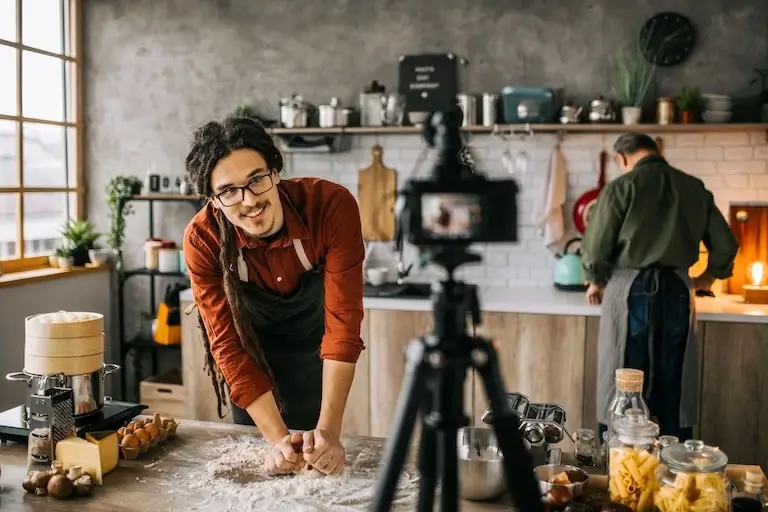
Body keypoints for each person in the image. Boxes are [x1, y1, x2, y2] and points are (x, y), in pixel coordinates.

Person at [182, 115, 365, 477]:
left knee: (321, 472)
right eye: (229, 191)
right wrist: (276, 439)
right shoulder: (203, 241)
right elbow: (227, 345)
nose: (249, 201)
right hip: (251, 367)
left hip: (319, 354)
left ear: (276, 172)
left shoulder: (329, 206)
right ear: (213, 200)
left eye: (256, 180)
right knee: (266, 476)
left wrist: (329, 431)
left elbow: (343, 324)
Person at [581, 133, 738, 442]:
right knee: (674, 381)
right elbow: (726, 246)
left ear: (623, 158)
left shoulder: (621, 187)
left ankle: (619, 467)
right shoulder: (693, 188)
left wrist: (594, 280)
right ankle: (674, 470)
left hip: (629, 291)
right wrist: (706, 278)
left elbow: (596, 248)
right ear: (655, 151)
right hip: (679, 292)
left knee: (623, 379)